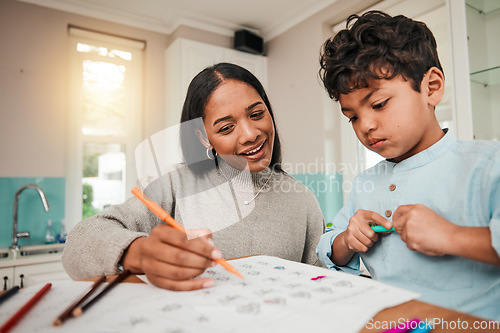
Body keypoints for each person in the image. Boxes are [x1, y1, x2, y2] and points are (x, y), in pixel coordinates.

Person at [62, 62, 325, 291]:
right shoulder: (172, 185)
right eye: (226, 127)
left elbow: (320, 280)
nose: (249, 134)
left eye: (257, 114)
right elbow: (78, 243)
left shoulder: (302, 200)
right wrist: (138, 253)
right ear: (203, 136)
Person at [315, 11, 500, 320]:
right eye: (353, 117)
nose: (366, 125)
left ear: (431, 87)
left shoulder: (486, 165)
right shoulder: (365, 184)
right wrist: (347, 238)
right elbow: (327, 247)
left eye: (378, 104)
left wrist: (450, 236)